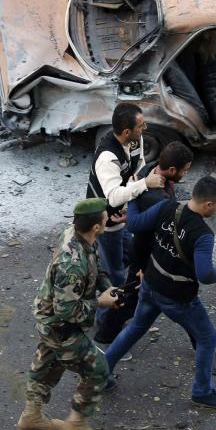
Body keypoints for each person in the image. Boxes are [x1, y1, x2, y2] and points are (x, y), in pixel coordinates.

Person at [104, 176, 216, 409]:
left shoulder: (167, 207)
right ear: (208, 205)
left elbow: (134, 224)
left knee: (135, 328)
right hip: (178, 296)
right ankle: (202, 391)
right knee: (206, 337)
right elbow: (205, 275)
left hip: (151, 284)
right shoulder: (203, 235)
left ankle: (101, 374)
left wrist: (133, 198)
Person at [17, 198, 121, 430]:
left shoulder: (77, 234)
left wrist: (109, 289)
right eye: (106, 219)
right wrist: (100, 302)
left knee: (46, 365)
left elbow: (96, 268)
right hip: (60, 327)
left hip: (49, 321)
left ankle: (31, 417)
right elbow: (67, 311)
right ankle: (76, 423)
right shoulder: (72, 264)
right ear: (96, 227)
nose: (110, 219)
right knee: (97, 369)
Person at [94, 141, 194, 347]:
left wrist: (129, 214)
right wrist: (141, 267)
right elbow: (138, 228)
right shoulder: (158, 199)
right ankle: (104, 338)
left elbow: (135, 200)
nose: (185, 174)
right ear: (172, 169)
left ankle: (200, 337)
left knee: (136, 301)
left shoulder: (149, 172)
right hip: (146, 256)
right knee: (132, 301)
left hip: (145, 255)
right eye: (184, 170)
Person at [86, 103, 165, 306]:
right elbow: (113, 197)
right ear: (126, 131)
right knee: (114, 270)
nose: (145, 129)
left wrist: (137, 182)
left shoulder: (134, 140)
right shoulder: (107, 157)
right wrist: (144, 184)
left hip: (122, 214)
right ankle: (109, 313)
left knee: (128, 256)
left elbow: (137, 166)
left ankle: (122, 298)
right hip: (107, 220)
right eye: (141, 126)